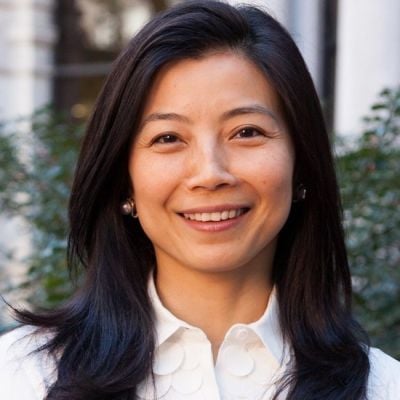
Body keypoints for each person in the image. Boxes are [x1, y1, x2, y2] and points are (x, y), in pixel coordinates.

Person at [0, 1, 399, 399]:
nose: (210, 174)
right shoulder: (22, 376)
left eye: (246, 132)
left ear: (302, 164)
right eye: (168, 138)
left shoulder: (382, 387)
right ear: (124, 181)